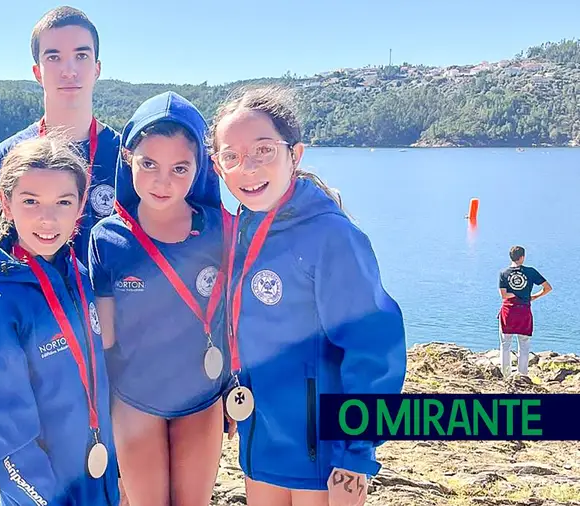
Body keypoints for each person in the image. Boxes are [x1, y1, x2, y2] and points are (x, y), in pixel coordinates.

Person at [208, 85, 407, 506]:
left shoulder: (331, 236)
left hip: (320, 450)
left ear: (294, 154)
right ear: (218, 166)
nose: (247, 168)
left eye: (263, 150)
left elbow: (373, 346)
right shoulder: (241, 226)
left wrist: (357, 453)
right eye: (232, 156)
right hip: (261, 439)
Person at [0, 134, 121, 506]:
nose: (48, 219)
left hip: (95, 480)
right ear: (6, 203)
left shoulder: (75, 273)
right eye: (30, 201)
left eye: (63, 202)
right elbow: (6, 440)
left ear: (81, 205)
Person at [87, 92, 227, 506]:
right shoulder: (107, 239)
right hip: (134, 401)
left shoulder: (222, 230)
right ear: (128, 158)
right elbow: (106, 339)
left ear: (200, 168)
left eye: (179, 168)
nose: (162, 181)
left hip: (201, 399)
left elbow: (239, 318)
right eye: (148, 164)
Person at [0, 6, 121, 264]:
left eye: (81, 55)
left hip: (112, 304)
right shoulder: (1, 161)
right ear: (37, 72)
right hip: (35, 304)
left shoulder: (130, 159)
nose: (69, 70)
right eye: (54, 57)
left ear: (97, 68)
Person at [498, 245, 553, 377]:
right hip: (524, 312)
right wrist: (533, 296)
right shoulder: (531, 272)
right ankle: (522, 375)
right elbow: (548, 288)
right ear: (522, 257)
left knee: (505, 345)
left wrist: (515, 294)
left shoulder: (503, 273)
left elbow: (504, 295)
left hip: (508, 312)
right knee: (524, 345)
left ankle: (506, 375)